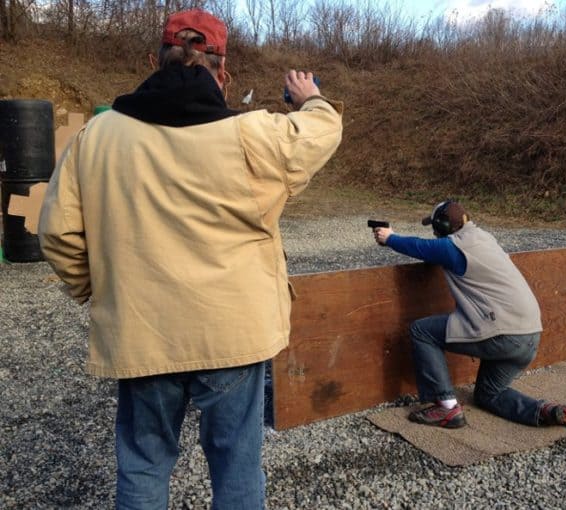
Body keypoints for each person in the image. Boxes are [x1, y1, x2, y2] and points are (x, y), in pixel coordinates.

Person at [38, 9, 342, 509]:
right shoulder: (253, 135)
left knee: (143, 465)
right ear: (222, 72)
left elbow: (58, 234)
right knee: (237, 468)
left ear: (155, 61)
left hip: (141, 331)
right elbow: (319, 133)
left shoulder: (97, 136)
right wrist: (313, 100)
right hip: (233, 335)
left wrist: (97, 287)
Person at [373, 200, 566, 429]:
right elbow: (434, 251)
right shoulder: (485, 238)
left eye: (435, 226)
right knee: (489, 394)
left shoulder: (453, 248)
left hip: (502, 334)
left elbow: (419, 247)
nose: (433, 231)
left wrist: (389, 237)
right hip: (530, 335)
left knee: (422, 331)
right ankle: (546, 411)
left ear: (442, 226)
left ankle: (447, 409)